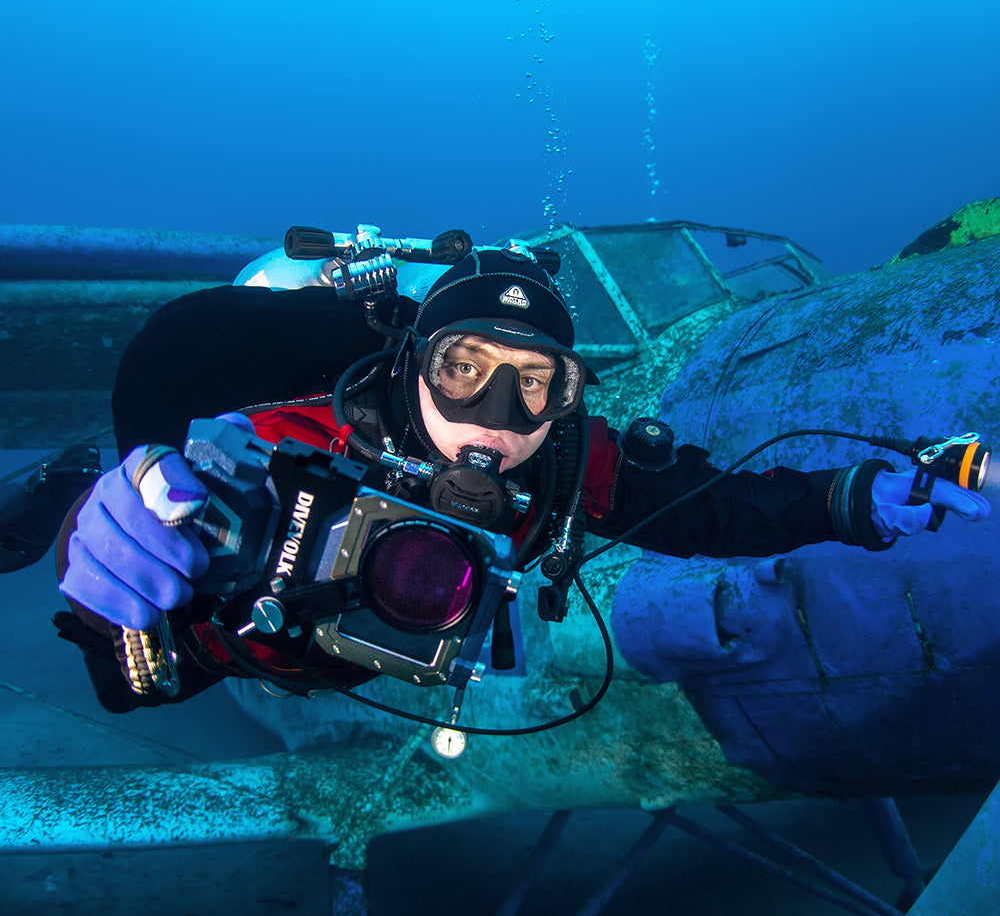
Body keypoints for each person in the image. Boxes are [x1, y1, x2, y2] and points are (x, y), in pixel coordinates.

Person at [54, 246, 991, 712]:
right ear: (414, 362)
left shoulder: (563, 462)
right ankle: (47, 489)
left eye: (533, 384)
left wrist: (862, 496)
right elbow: (152, 535)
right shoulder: (287, 439)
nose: (494, 420)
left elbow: (712, 509)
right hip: (253, 656)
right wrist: (111, 540)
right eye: (464, 368)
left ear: (564, 397)